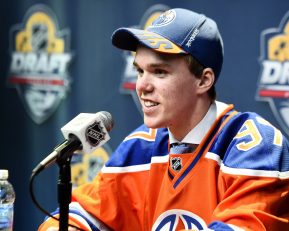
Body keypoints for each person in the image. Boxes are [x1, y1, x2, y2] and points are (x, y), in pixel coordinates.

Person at [39, 8, 289, 231]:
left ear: (203, 80)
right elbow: (78, 216)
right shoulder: (140, 147)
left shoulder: (256, 146)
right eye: (139, 70)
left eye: (159, 72)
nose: (142, 86)